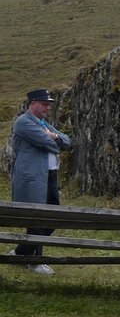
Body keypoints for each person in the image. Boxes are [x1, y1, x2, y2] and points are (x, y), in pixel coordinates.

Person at [10, 88, 71, 275]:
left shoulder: (43, 124)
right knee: (37, 218)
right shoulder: (23, 122)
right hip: (32, 178)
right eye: (44, 104)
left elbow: (67, 142)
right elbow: (49, 144)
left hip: (49, 176)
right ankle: (34, 261)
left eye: (49, 104)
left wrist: (56, 137)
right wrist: (54, 139)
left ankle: (21, 253)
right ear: (33, 104)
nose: (48, 108)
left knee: (52, 218)